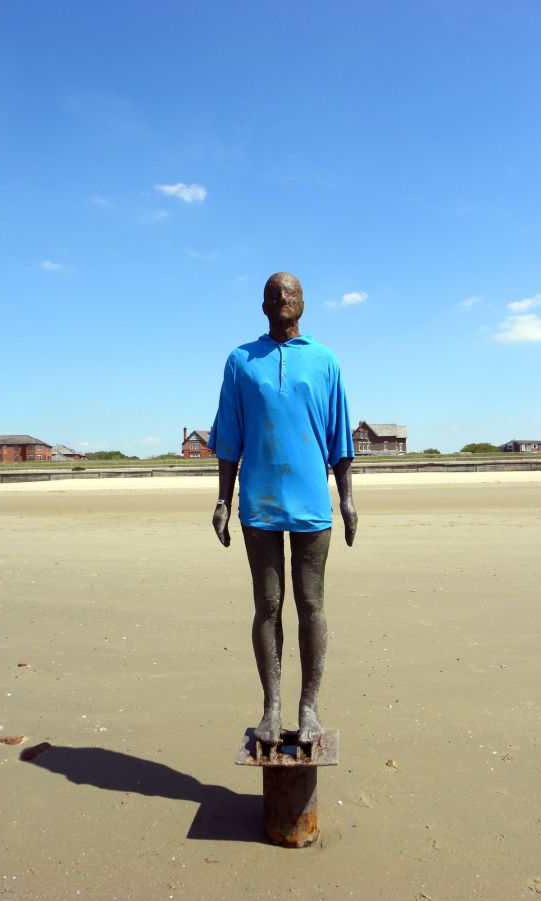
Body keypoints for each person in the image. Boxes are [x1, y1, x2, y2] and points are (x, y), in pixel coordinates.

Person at [209, 272, 357, 744]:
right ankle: (272, 706)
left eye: (290, 293)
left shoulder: (325, 360)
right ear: (262, 304)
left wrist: (348, 499)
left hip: (313, 501)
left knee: (311, 604)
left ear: (304, 302)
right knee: (267, 606)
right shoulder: (240, 362)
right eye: (273, 293)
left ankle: (308, 706)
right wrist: (221, 500)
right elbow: (229, 439)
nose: (282, 299)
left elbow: (340, 439)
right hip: (259, 503)